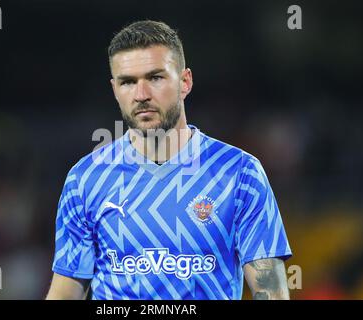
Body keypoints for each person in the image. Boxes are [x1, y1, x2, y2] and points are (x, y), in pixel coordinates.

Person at [46, 20, 292, 300]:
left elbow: (269, 291)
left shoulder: (239, 174)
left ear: (185, 81)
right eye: (128, 82)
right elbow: (65, 292)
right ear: (115, 89)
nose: (141, 95)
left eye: (155, 77)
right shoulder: (85, 179)